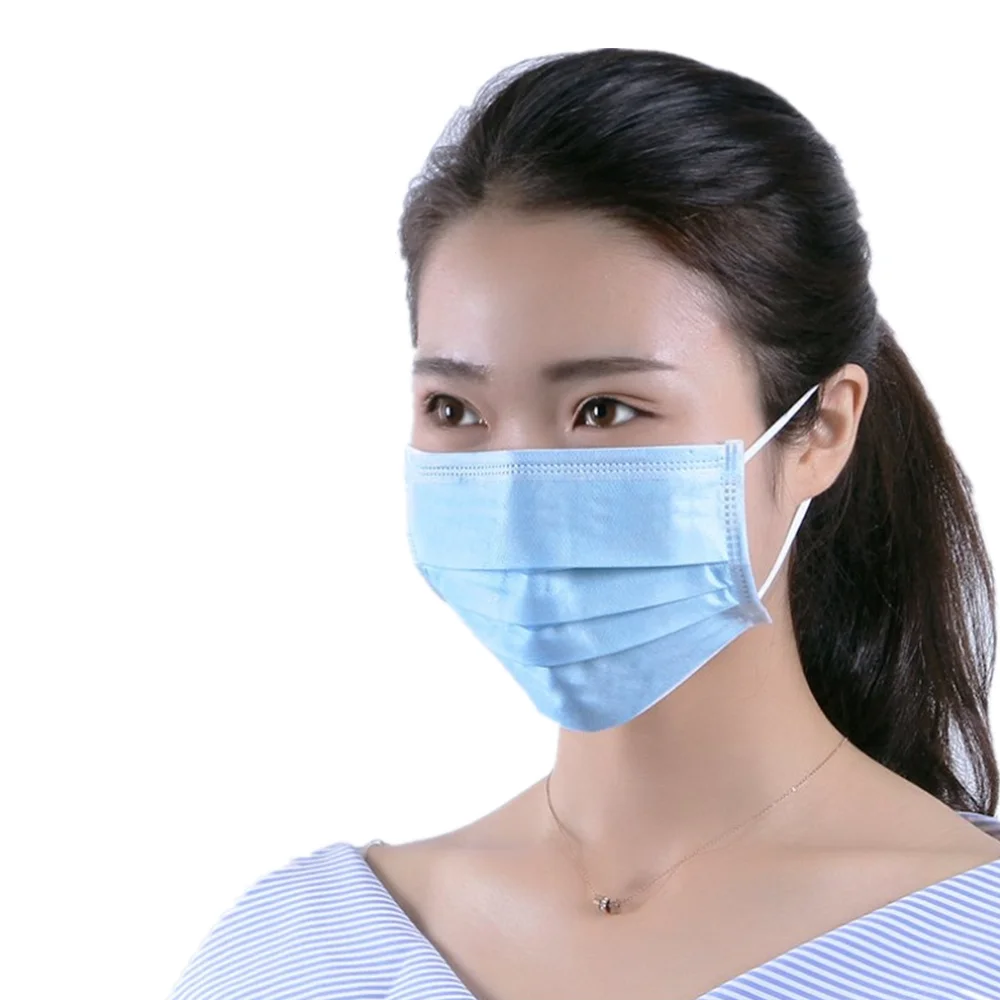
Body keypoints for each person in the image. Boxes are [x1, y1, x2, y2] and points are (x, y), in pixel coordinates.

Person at [168, 47, 1000, 1000]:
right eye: (454, 409)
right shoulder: (296, 949)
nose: (517, 498)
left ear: (820, 430)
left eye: (605, 409)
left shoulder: (972, 946)